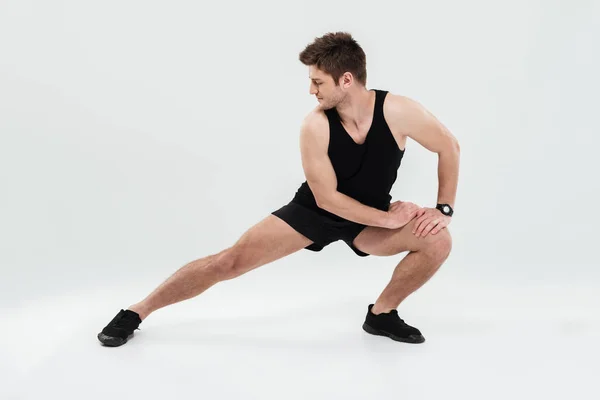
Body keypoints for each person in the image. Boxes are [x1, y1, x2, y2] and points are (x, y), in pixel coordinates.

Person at [97, 31, 460, 347]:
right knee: (228, 262)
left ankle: (381, 314)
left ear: (346, 79)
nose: (311, 90)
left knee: (438, 240)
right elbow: (327, 199)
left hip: (368, 218)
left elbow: (449, 147)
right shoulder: (315, 125)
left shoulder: (399, 111)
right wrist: (386, 219)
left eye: (318, 82)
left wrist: (442, 209)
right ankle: (137, 311)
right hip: (316, 212)